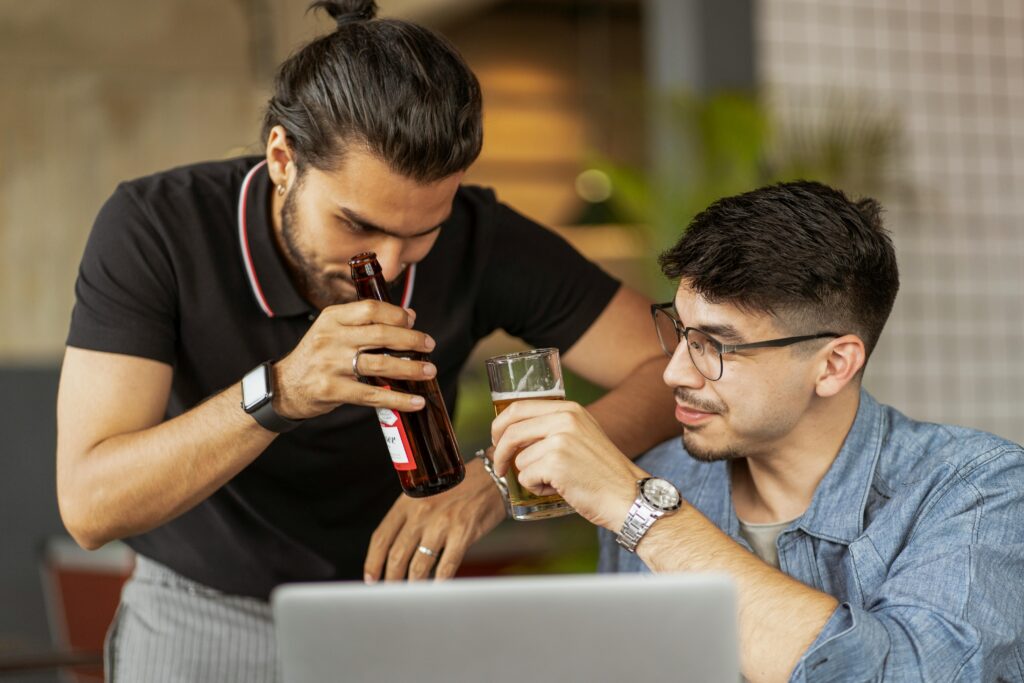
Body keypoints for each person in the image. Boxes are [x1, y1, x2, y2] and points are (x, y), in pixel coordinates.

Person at [55, 1, 677, 680]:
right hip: (199, 610)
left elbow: (672, 367)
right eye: (356, 224)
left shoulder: (478, 236)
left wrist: (497, 479)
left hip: (388, 610)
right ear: (282, 159)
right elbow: (90, 505)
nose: (386, 261)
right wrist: (282, 390)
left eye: (421, 231)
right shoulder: (156, 229)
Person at [491, 181, 1024, 682]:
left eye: (716, 345)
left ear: (834, 365)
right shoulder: (660, 475)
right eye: (678, 331)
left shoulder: (978, 491)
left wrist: (643, 516)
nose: (675, 372)